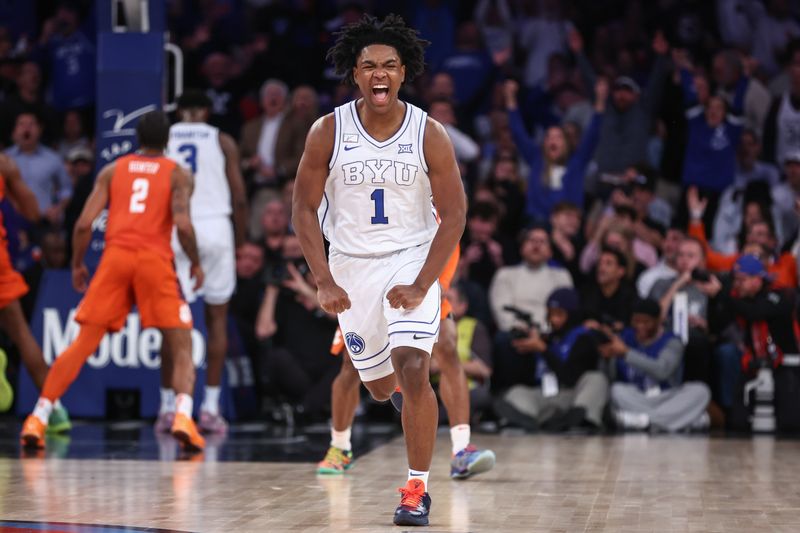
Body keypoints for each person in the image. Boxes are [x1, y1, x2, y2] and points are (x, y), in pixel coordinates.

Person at [292, 15, 466, 526]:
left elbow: (455, 214)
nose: (379, 73)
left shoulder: (429, 133)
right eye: (368, 65)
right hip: (351, 266)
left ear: (404, 72)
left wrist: (422, 282)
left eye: (389, 64)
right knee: (379, 387)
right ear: (355, 74)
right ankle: (408, 406)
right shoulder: (328, 131)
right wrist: (323, 279)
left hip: (410, 258)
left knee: (415, 366)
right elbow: (303, 208)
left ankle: (416, 490)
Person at [20, 111, 206, 452]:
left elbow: (82, 224)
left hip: (116, 258)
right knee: (181, 344)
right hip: (153, 260)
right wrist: (195, 262)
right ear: (167, 140)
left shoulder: (112, 170)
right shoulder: (177, 173)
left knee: (81, 344)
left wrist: (77, 263)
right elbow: (182, 225)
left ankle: (38, 416)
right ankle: (183, 415)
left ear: (137, 138)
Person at [317, 247, 496, 480]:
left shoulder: (438, 221)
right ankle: (339, 446)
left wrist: (435, 284)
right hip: (369, 278)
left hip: (416, 277)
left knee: (448, 346)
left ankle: (461, 449)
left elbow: (450, 238)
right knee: (350, 366)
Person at [153, 90, 248, 435]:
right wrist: (239, 240)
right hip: (216, 227)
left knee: (172, 321)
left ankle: (168, 407)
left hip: (178, 228)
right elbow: (239, 196)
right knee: (216, 319)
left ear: (178, 111)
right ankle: (209, 408)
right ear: (206, 111)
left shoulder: (163, 138)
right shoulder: (222, 140)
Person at [0, 154, 70, 431]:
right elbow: (31, 213)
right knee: (22, 334)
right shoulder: (4, 163)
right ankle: (55, 410)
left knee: (21, 333)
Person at [494, 287, 608, 432]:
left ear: (571, 314)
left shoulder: (584, 337)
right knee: (516, 392)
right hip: (545, 396)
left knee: (597, 379)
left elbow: (571, 377)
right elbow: (526, 379)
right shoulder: (545, 338)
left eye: (559, 314)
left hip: (572, 396)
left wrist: (544, 351)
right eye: (550, 314)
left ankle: (579, 421)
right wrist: (525, 352)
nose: (554, 319)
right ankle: (528, 420)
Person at [602, 298, 711, 432]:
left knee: (701, 391)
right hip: (637, 397)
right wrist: (608, 357)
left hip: (667, 397)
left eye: (646, 322)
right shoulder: (624, 338)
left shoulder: (672, 341)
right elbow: (611, 376)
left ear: (658, 321)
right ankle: (682, 421)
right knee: (616, 390)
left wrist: (626, 353)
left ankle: (644, 421)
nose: (640, 326)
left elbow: (662, 371)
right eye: (636, 321)